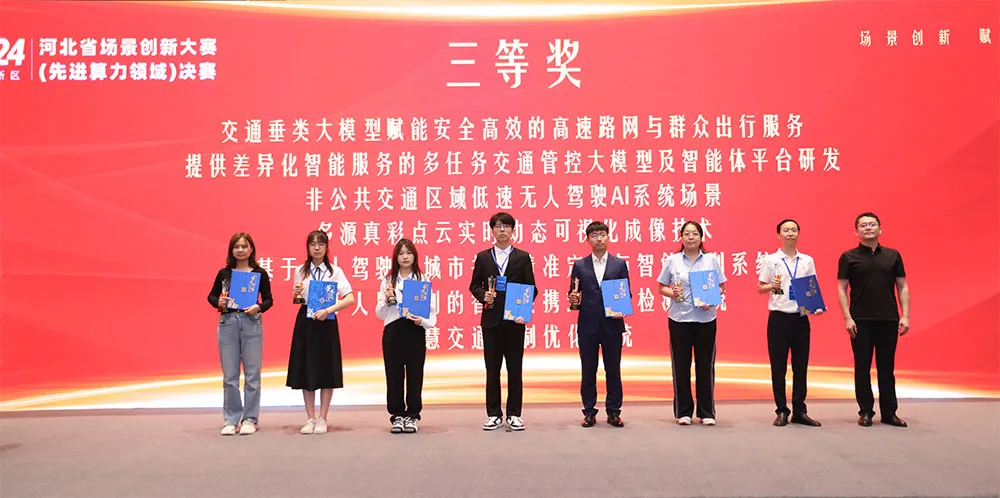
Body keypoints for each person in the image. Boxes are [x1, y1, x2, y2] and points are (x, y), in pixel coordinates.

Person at [837, 212, 910, 428]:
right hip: (860, 320)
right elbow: (841, 288)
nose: (868, 228)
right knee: (862, 367)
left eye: (872, 224)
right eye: (863, 225)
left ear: (880, 229)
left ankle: (889, 412)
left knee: (886, 367)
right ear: (856, 231)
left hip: (888, 318)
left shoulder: (893, 255)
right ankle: (866, 411)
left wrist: (905, 314)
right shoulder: (848, 257)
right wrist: (847, 317)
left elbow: (902, 286)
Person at [468, 212, 537, 431]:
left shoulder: (522, 257)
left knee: (515, 369)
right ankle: (494, 414)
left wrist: (523, 308)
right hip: (491, 320)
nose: (502, 230)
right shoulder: (483, 257)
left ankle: (514, 414)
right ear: (492, 230)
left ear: (513, 230)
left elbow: (532, 288)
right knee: (492, 370)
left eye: (506, 226)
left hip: (515, 320)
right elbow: (474, 285)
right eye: (498, 226)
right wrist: (483, 296)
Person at [656, 221, 726, 426]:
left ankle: (707, 412)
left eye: (695, 233)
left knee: (705, 366)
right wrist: (673, 293)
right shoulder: (673, 260)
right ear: (681, 237)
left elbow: (721, 286)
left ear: (701, 237)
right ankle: (683, 411)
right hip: (680, 319)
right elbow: (661, 287)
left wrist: (712, 298)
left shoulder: (711, 260)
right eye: (686, 234)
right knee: (681, 365)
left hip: (705, 319)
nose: (691, 237)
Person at [286, 230, 356, 435]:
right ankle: (310, 418)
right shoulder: (301, 271)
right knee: (306, 368)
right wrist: (297, 295)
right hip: (306, 321)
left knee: (326, 368)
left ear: (327, 247)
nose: (317, 248)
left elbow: (350, 298)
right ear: (307, 248)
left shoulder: (335, 271)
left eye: (321, 244)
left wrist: (328, 310)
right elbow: (299, 298)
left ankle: (323, 418)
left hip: (327, 321)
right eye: (313, 244)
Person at [206, 232, 273, 436]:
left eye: (244, 246)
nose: (241, 250)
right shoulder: (224, 273)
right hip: (228, 323)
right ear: (231, 250)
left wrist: (258, 307)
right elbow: (211, 296)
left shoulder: (259, 273)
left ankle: (250, 418)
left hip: (251, 322)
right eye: (237, 247)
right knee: (230, 375)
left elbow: (269, 300)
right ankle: (231, 419)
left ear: (251, 249)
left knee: (252, 374)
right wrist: (218, 302)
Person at [757, 219, 822, 427]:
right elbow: (760, 287)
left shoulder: (807, 260)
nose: (790, 233)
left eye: (794, 230)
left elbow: (811, 287)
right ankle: (781, 410)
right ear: (779, 235)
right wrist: (770, 286)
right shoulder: (771, 260)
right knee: (778, 368)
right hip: (778, 319)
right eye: (786, 230)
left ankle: (800, 410)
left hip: (801, 318)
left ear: (799, 234)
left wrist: (815, 305)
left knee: (800, 367)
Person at [568, 221, 630, 428]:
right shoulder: (580, 265)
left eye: (602, 234)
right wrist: (573, 299)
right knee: (588, 370)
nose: (599, 239)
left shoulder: (619, 264)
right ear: (588, 240)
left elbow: (626, 293)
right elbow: (573, 293)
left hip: (612, 324)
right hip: (588, 324)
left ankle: (614, 412)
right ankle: (589, 411)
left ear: (608, 237)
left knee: (613, 370)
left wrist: (621, 306)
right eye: (594, 235)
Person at [374, 239, 438, 434]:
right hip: (393, 331)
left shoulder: (422, 279)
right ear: (396, 257)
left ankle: (412, 415)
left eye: (408, 253)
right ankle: (397, 415)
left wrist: (422, 321)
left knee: (415, 373)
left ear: (414, 256)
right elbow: (379, 313)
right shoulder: (388, 280)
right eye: (401, 253)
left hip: (414, 330)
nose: (405, 257)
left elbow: (431, 311)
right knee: (393, 374)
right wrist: (387, 299)